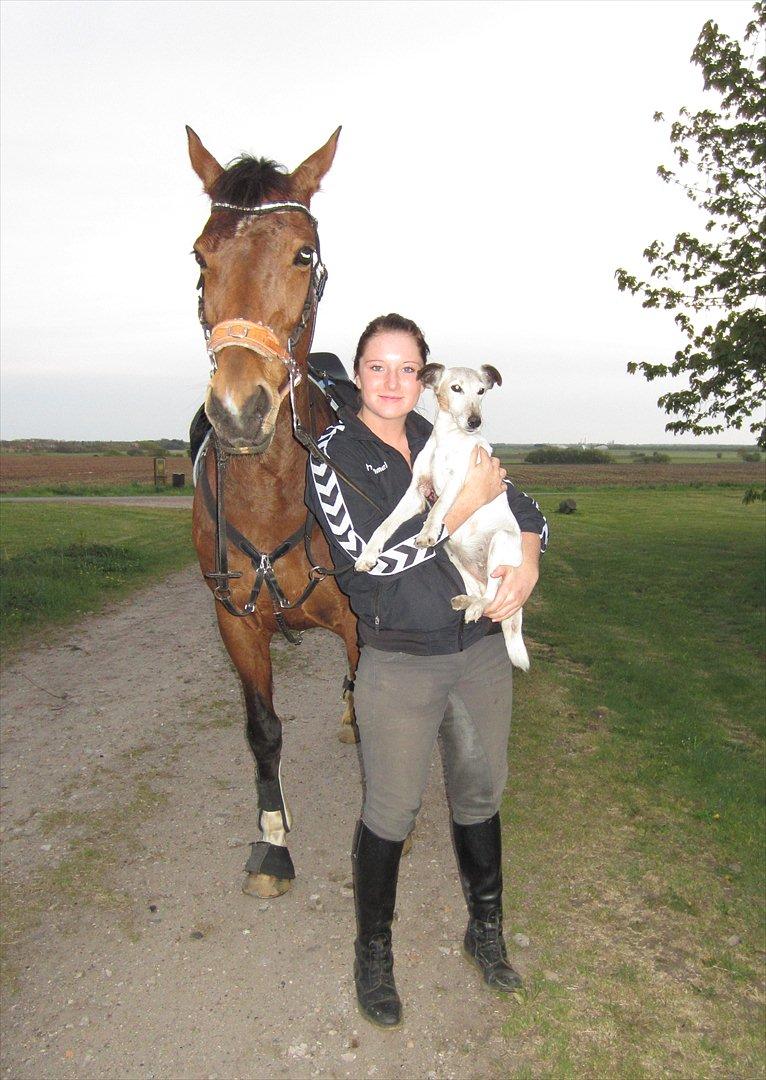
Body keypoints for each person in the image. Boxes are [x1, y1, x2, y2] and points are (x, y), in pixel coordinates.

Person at [305, 313, 548, 1028]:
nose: (392, 381)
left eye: (407, 368)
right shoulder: (333, 456)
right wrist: (459, 508)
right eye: (377, 367)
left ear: (427, 380)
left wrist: (529, 562)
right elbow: (367, 568)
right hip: (400, 662)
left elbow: (523, 505)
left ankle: (486, 932)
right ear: (357, 375)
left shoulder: (447, 435)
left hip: (478, 651)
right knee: (392, 809)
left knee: (479, 795)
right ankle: (373, 954)